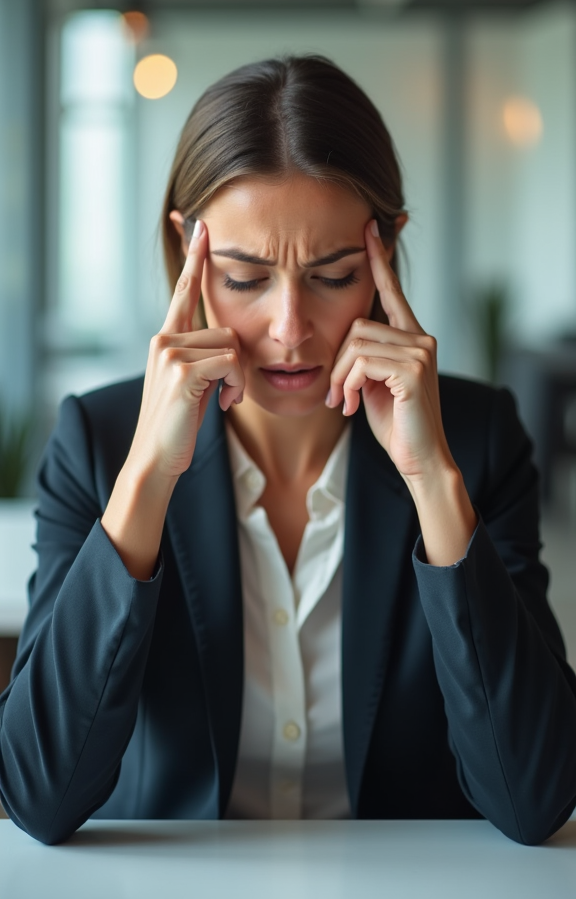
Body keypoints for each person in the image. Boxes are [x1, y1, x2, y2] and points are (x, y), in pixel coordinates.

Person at [0, 56, 575, 846]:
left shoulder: (475, 440)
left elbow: (534, 797)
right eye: (244, 278)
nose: (290, 328)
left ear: (385, 255)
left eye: (333, 275)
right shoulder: (98, 443)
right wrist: (146, 480)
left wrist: (430, 479)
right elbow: (37, 795)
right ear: (189, 250)